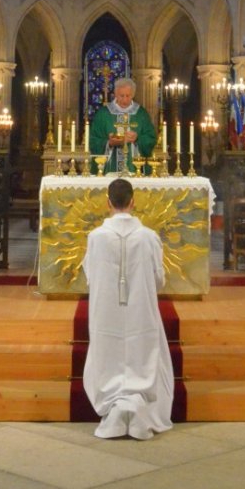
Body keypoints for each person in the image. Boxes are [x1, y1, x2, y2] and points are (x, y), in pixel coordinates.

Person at [82, 177, 174, 440]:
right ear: (133, 202)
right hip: (140, 312)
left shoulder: (96, 237)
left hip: (107, 311)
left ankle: (114, 408)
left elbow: (89, 274)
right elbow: (159, 279)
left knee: (108, 351)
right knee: (140, 351)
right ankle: (137, 408)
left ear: (107, 202)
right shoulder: (149, 237)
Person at [89, 77, 157, 174]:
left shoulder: (141, 114)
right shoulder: (103, 114)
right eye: (121, 96)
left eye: (128, 96)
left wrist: (137, 138)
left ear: (133, 95)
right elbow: (93, 140)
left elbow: (151, 139)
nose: (125, 100)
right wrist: (109, 143)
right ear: (115, 94)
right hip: (109, 169)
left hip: (134, 169)